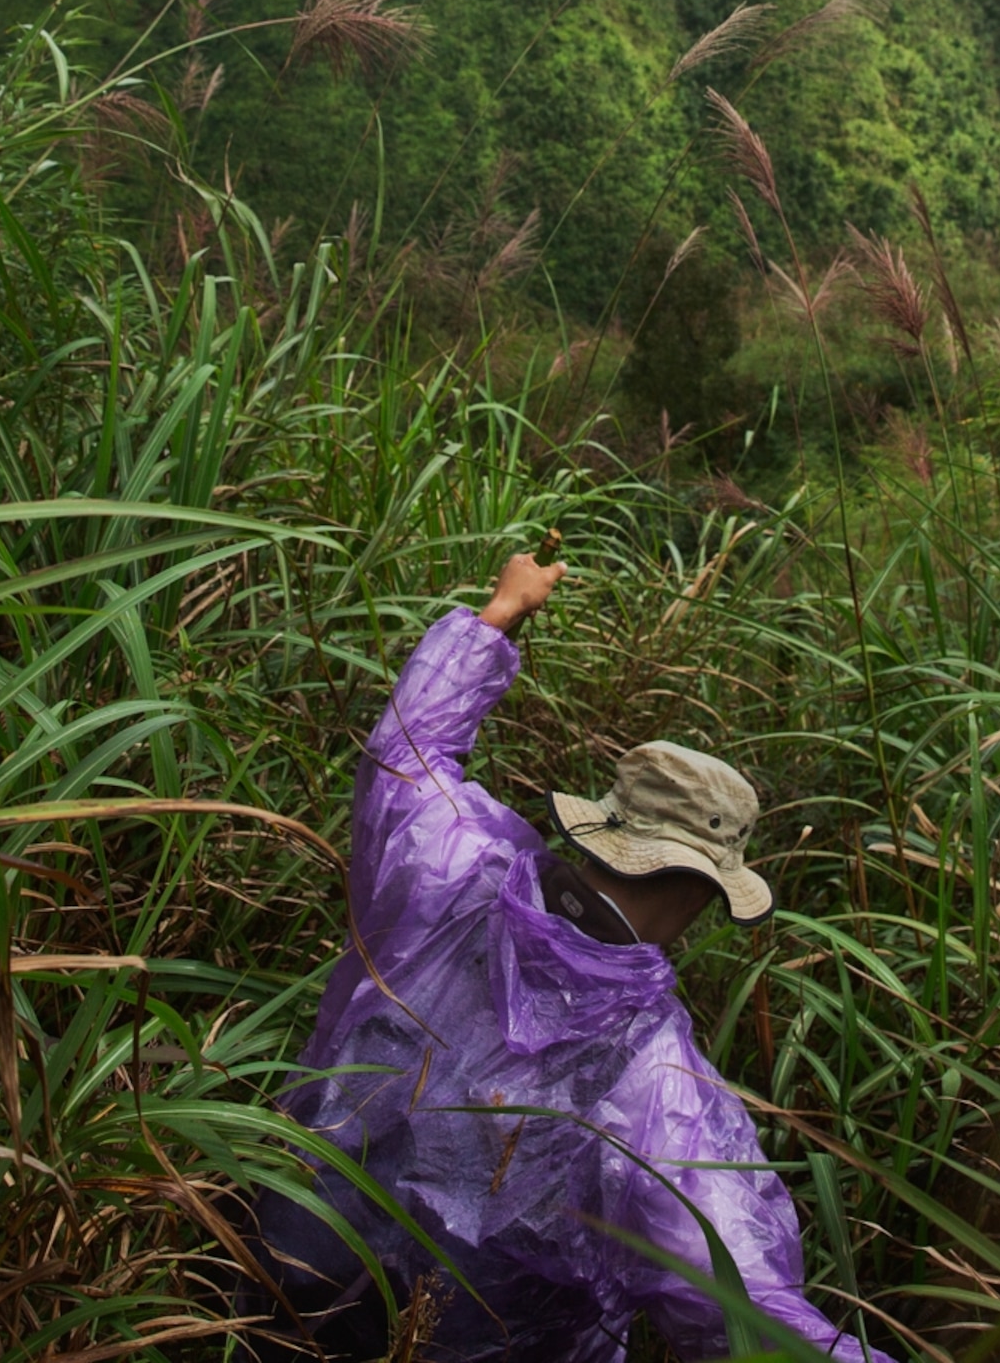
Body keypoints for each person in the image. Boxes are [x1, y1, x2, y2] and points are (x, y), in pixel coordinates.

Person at [242, 548, 887, 1362]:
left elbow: (407, 752)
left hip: (278, 1296)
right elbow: (738, 1306)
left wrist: (498, 616)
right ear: (701, 896)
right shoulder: (656, 1082)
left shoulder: (447, 871)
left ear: (601, 827)